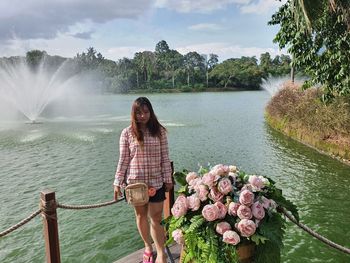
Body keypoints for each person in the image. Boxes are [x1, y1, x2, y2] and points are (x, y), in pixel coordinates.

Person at [113, 97, 173, 263]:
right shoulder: (127, 133)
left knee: (156, 217)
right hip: (135, 184)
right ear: (133, 114)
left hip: (156, 182)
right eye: (138, 112)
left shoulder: (159, 131)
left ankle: (160, 252)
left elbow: (165, 157)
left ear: (151, 112)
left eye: (146, 112)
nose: (142, 116)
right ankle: (148, 246)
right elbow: (123, 159)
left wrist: (168, 179)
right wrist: (117, 182)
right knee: (140, 216)